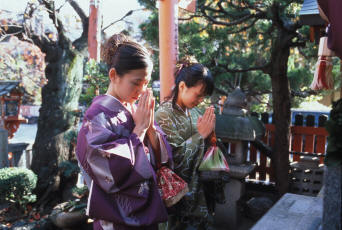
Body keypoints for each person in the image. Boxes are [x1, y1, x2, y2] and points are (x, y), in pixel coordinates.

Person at [76, 33, 173, 230]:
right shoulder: (96, 115)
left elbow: (161, 160)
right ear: (114, 75)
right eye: (136, 82)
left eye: (146, 83)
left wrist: (151, 128)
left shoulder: (135, 111)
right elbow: (105, 166)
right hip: (115, 216)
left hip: (145, 211)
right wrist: (139, 131)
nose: (141, 89)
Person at [155, 57, 216, 230]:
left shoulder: (195, 112)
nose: (200, 101)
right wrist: (200, 136)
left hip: (199, 190)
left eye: (203, 97)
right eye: (198, 95)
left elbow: (206, 149)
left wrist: (210, 136)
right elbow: (172, 160)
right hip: (176, 194)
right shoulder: (164, 114)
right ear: (182, 86)